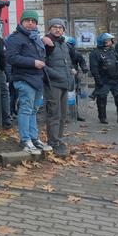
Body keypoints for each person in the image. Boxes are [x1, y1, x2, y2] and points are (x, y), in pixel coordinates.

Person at [4, 10, 49, 155]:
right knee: (26, 109)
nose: (30, 23)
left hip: (37, 78)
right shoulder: (15, 38)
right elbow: (11, 58)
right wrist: (33, 62)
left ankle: (34, 138)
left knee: (34, 110)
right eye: (27, 20)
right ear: (22, 21)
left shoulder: (36, 38)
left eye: (33, 21)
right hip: (24, 78)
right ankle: (25, 140)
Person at [41, 18, 74, 157]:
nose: (57, 29)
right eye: (54, 27)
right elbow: (43, 64)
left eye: (60, 27)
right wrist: (56, 75)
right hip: (52, 84)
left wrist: (71, 74)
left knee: (63, 115)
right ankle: (53, 142)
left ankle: (59, 140)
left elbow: (68, 64)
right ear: (50, 29)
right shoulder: (47, 43)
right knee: (54, 114)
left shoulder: (64, 45)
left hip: (64, 84)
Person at [89, 33, 118, 124]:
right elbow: (94, 68)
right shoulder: (95, 53)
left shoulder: (113, 51)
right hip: (104, 79)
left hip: (117, 79)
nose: (111, 42)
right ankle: (102, 117)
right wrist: (98, 80)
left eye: (110, 40)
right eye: (108, 40)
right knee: (102, 98)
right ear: (103, 42)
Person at [66, 36, 89, 122]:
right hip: (65, 75)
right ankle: (67, 114)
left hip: (73, 76)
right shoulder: (60, 51)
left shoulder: (76, 53)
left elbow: (82, 62)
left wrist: (84, 69)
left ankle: (75, 113)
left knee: (73, 96)